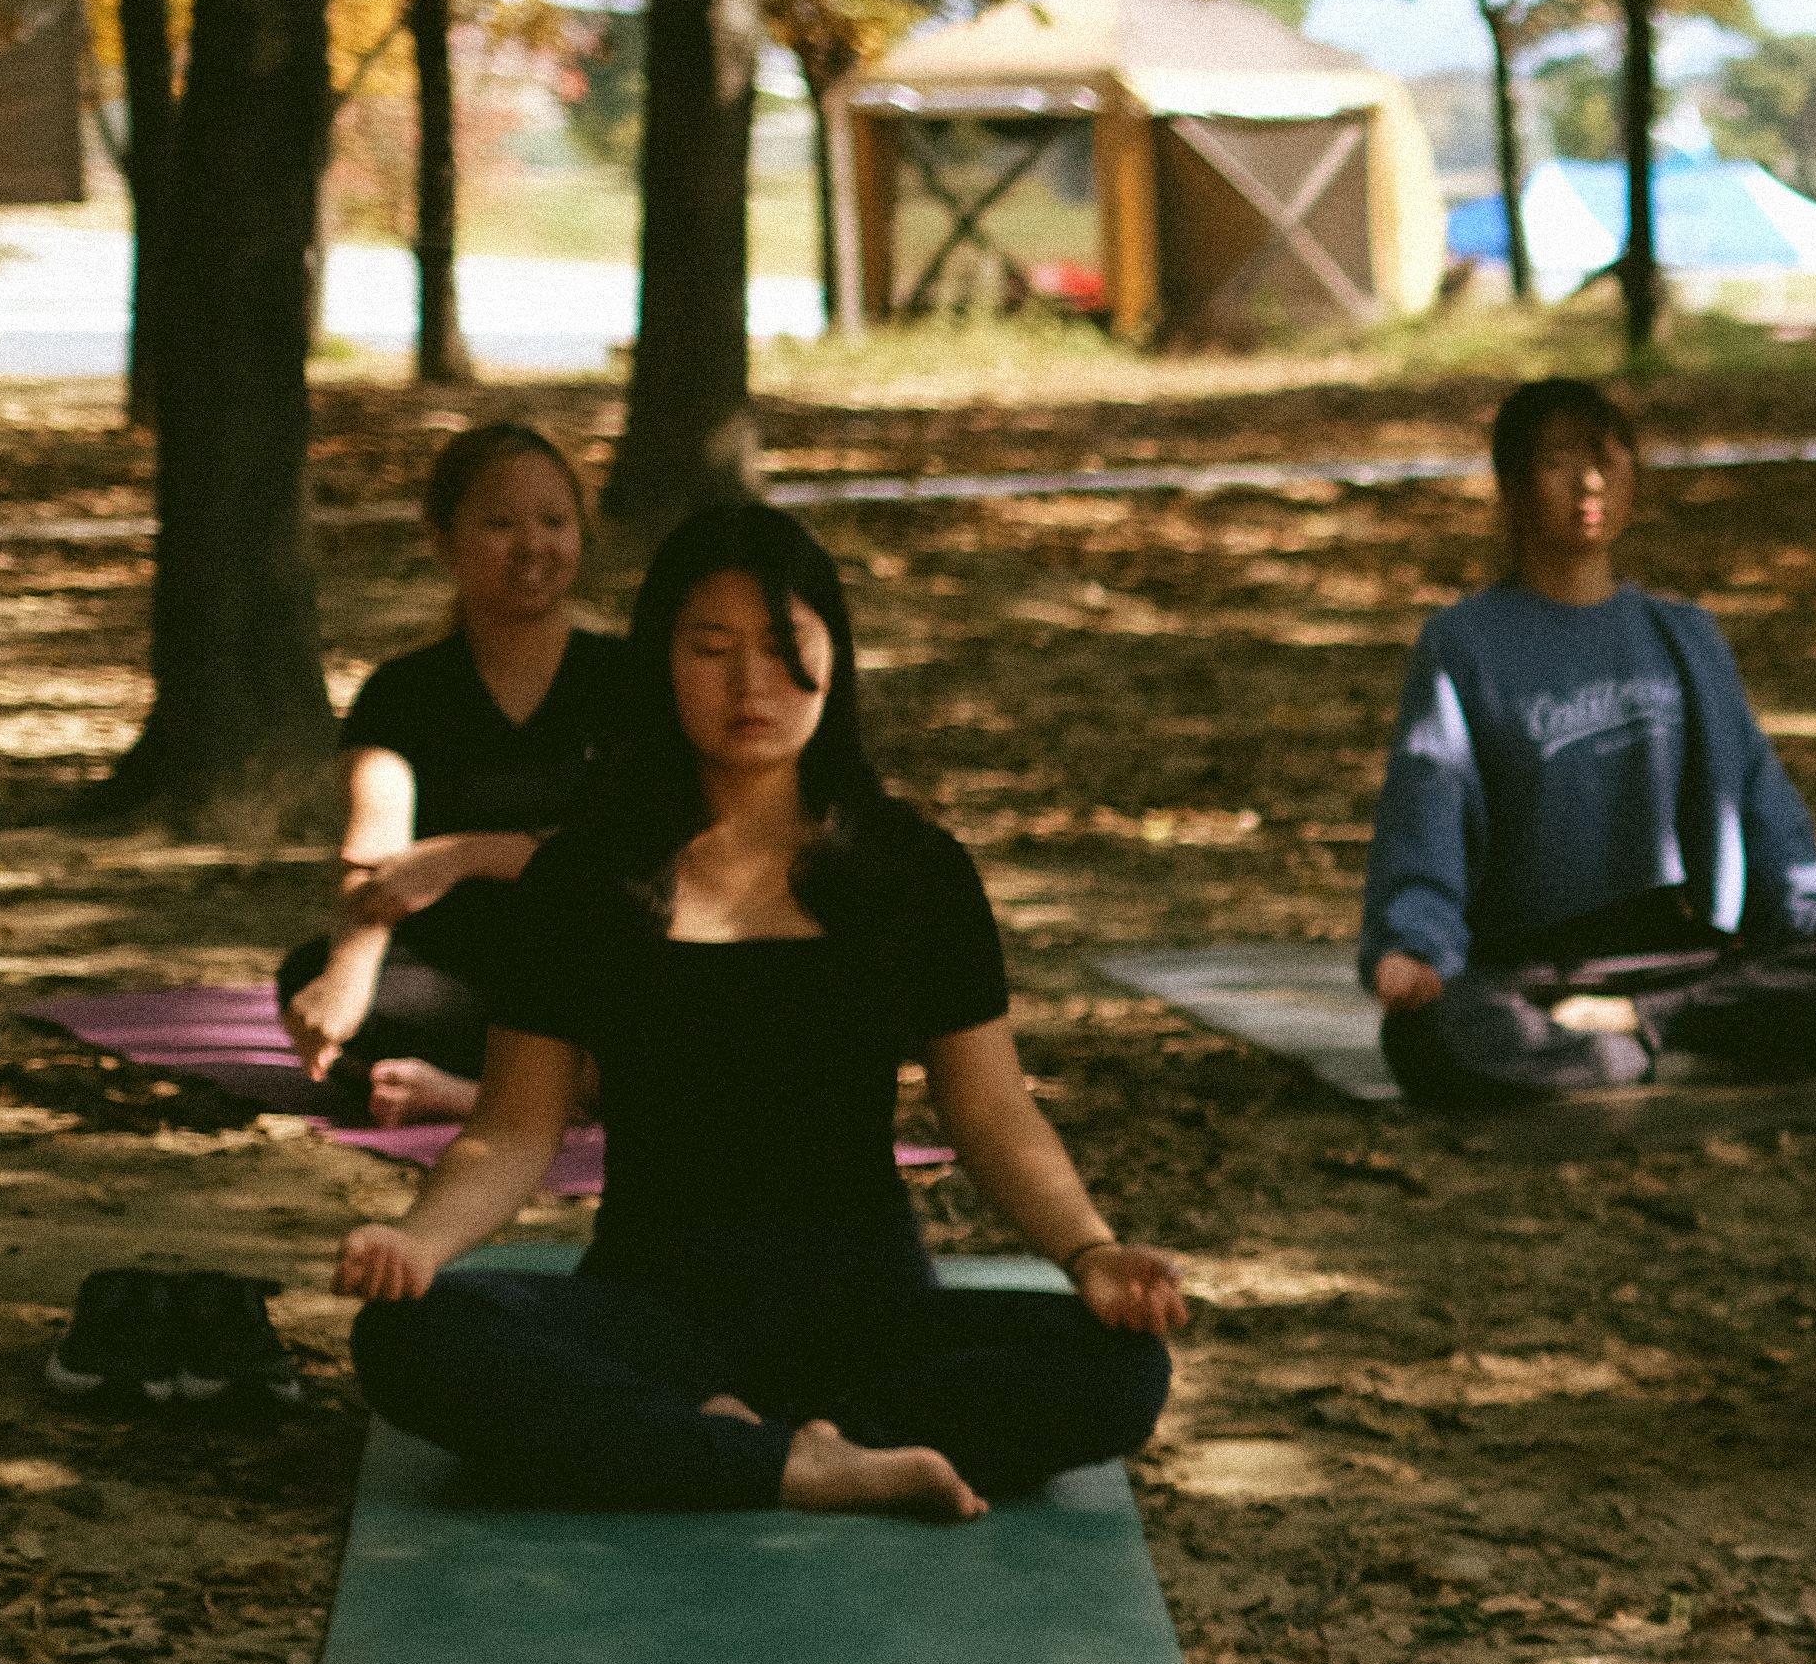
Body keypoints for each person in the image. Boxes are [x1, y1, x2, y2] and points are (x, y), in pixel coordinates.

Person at [339, 503, 1184, 1523]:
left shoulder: (913, 870)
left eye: (787, 650)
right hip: (651, 1308)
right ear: (662, 663)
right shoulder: (586, 875)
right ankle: (806, 1463)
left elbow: (994, 1114)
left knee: (1122, 1370)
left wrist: (1092, 1255)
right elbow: (515, 1129)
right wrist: (419, 1242)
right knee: (405, 1339)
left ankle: (716, 1443)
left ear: (837, 660)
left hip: (867, 1312)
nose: (751, 685)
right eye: (712, 649)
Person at [1358, 378, 1816, 1103]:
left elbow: (1755, 802)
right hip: (1537, 974)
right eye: (1560, 460)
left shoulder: (1684, 635)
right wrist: (1412, 948)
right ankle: (1653, 1045)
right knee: (1432, 1041)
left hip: (1684, 959)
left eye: (1610, 457)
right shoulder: (1465, 643)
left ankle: (1634, 1032)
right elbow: (1427, 806)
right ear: (1512, 486)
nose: (1590, 480)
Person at [278, 421, 629, 1127]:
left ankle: (472, 1098)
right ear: (443, 540)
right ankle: (549, 1095)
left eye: (554, 521)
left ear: (582, 534)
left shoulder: (631, 678)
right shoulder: (403, 692)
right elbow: (372, 851)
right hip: (465, 971)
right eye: (500, 523)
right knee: (313, 981)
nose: (532, 546)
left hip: (603, 953)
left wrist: (469, 855)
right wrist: (348, 974)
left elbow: (639, 850)